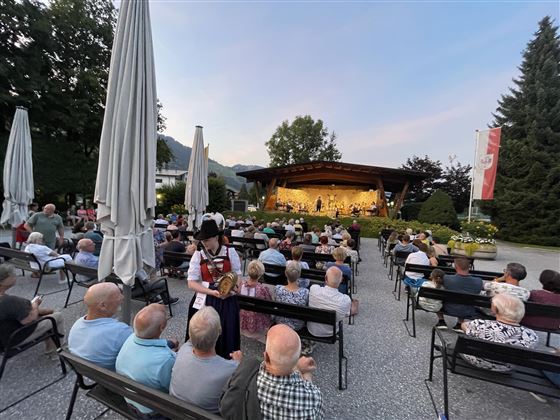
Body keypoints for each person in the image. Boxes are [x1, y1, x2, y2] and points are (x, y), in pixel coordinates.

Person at [186, 219, 241, 360]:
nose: (204, 243)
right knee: (203, 332)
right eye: (202, 240)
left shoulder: (230, 252)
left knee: (226, 330)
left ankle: (225, 362)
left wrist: (234, 290)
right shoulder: (198, 255)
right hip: (206, 298)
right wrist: (212, 292)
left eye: (207, 239)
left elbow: (238, 276)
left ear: (216, 237)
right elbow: (191, 283)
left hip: (227, 299)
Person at [171, 306, 241, 413]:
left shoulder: (184, 350)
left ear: (190, 333)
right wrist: (239, 362)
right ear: (220, 331)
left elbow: (192, 338)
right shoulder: (231, 368)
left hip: (174, 412)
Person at [116, 304, 177, 418]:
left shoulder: (130, 338)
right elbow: (174, 389)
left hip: (130, 398)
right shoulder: (166, 359)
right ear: (162, 327)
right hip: (152, 410)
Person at [257, 324, 323, 419]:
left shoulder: (249, 377)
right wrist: (307, 374)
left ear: (266, 356)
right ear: (298, 357)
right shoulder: (313, 398)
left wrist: (298, 367)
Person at [461, 294, 538, 372]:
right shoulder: (532, 335)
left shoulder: (480, 324)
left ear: (495, 309)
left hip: (476, 360)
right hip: (506, 367)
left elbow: (464, 325)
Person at [0, 264, 65, 354]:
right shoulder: (7, 301)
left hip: (4, 334)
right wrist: (35, 304)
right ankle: (55, 351)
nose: (15, 276)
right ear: (3, 281)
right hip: (10, 340)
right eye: (12, 274)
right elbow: (29, 319)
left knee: (44, 314)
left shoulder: (7, 300)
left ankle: (49, 340)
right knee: (58, 316)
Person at [68, 283, 132, 370]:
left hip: (89, 373)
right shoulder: (120, 331)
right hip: (112, 378)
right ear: (103, 306)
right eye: (118, 295)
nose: (122, 297)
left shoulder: (77, 324)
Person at [437, 257, 483, 331]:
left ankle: (441, 320)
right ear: (469, 267)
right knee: (464, 297)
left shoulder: (447, 278)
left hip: (448, 308)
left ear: (456, 267)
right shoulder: (478, 281)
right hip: (468, 310)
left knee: (437, 295)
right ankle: (460, 323)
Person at [307, 267, 351, 338]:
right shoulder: (345, 300)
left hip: (312, 330)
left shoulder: (314, 289)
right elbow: (346, 314)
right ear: (341, 280)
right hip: (331, 332)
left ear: (325, 278)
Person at [239, 261, 272, 342]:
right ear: (260, 274)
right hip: (257, 320)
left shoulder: (241, 285)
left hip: (242, 317)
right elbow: (269, 304)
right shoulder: (262, 289)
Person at [274, 262, 309, 332]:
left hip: (280, 322)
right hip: (297, 326)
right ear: (299, 275)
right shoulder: (305, 292)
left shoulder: (278, 288)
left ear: (286, 274)